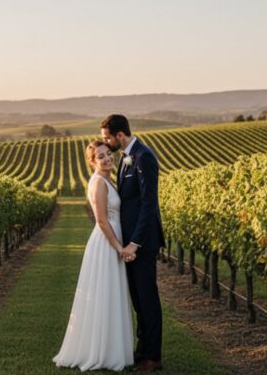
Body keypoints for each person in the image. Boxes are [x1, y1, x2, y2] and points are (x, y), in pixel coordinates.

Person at [53, 140, 134, 372]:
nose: (107, 158)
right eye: (100, 156)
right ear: (92, 162)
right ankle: (100, 352)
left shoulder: (108, 179)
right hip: (106, 243)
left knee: (111, 294)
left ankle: (111, 349)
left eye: (109, 153)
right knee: (103, 294)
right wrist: (119, 247)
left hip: (112, 239)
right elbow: (101, 220)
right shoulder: (98, 182)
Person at [101, 114, 165, 372]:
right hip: (130, 243)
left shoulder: (143, 156)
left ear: (119, 135)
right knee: (138, 298)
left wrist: (135, 243)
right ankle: (142, 349)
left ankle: (153, 356)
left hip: (143, 242)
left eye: (107, 137)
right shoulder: (129, 157)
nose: (105, 142)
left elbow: (149, 204)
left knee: (147, 298)